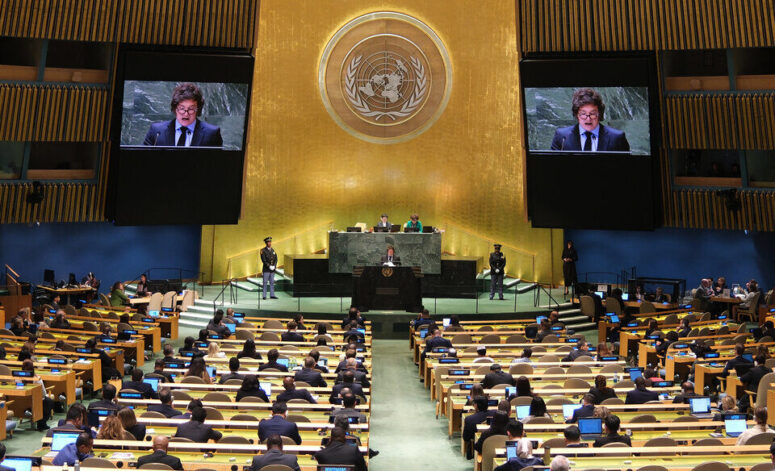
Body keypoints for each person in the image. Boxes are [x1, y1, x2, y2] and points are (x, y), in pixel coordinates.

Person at [143, 82, 222, 147]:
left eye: (191, 109)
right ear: (175, 109)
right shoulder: (157, 132)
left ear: (198, 110)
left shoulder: (212, 133)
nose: (186, 114)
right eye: (182, 108)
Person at [550, 88, 630, 152]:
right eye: (583, 114)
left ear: (599, 114)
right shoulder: (562, 137)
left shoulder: (617, 138)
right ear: (577, 114)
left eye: (592, 114)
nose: (588, 119)